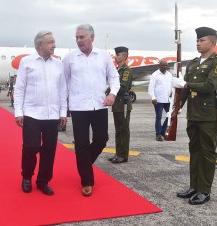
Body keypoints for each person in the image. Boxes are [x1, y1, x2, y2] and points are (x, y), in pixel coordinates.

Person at [173, 27, 217, 205]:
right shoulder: (192, 63)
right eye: (197, 40)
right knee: (195, 151)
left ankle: (204, 191)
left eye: (202, 40)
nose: (198, 43)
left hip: (208, 116)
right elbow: (186, 92)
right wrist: (176, 108)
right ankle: (194, 187)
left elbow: (210, 86)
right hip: (194, 115)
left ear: (212, 42)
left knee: (207, 153)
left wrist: (185, 83)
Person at [63, 24, 120, 197]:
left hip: (99, 105)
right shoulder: (70, 58)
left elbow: (114, 77)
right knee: (81, 144)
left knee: (102, 139)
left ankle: (84, 164)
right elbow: (63, 84)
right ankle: (86, 181)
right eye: (77, 37)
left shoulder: (103, 56)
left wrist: (113, 93)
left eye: (82, 37)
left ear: (92, 37)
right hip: (78, 107)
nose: (79, 40)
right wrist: (62, 109)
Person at [14, 30, 67, 196]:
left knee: (49, 149)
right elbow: (19, 88)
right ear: (40, 44)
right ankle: (27, 176)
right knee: (31, 146)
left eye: (54, 41)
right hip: (32, 112)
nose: (54, 45)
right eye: (50, 42)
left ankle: (43, 181)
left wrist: (63, 112)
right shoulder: (27, 62)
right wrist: (18, 111)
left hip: (52, 114)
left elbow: (63, 90)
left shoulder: (58, 64)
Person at [108, 46, 132, 164]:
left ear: (124, 56)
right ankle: (118, 153)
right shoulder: (118, 70)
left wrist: (110, 93)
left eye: (117, 55)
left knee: (123, 130)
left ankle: (123, 155)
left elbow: (122, 88)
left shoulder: (126, 70)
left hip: (123, 104)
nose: (115, 56)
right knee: (118, 130)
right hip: (117, 104)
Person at [148, 59, 172, 141]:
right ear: (159, 66)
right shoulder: (155, 75)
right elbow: (151, 88)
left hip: (168, 100)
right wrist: (153, 98)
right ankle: (158, 134)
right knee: (159, 117)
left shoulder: (169, 75)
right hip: (158, 100)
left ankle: (162, 131)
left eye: (166, 65)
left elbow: (171, 86)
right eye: (163, 65)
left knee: (171, 115)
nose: (165, 67)